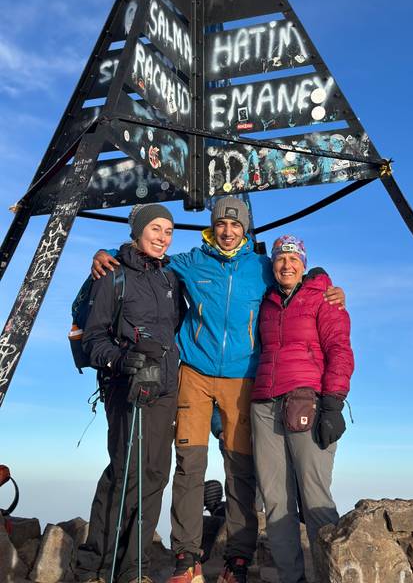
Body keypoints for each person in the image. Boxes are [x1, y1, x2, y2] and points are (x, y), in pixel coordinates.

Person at [91, 198, 345, 583]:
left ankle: (237, 558)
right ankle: (186, 556)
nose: (228, 231)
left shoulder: (261, 267)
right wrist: (105, 253)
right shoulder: (193, 261)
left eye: (236, 224)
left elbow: (297, 277)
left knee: (239, 469)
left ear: (246, 229)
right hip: (194, 371)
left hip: (244, 377)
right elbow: (147, 257)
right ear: (213, 227)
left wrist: (325, 282)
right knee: (189, 464)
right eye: (221, 224)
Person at [76, 204, 180, 583]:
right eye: (155, 228)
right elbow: (93, 339)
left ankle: (135, 569)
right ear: (137, 230)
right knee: (125, 472)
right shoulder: (112, 276)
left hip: (164, 388)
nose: (162, 237)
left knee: (154, 475)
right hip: (126, 386)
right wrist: (123, 360)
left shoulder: (169, 278)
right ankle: (96, 566)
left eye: (168, 231)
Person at [250, 235, 354, 583]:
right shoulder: (264, 301)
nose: (286, 265)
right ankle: (290, 578)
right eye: (280, 258)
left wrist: (333, 404)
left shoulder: (324, 299)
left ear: (304, 263)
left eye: (293, 259)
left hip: (306, 401)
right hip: (264, 404)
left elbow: (340, 349)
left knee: (314, 496)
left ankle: (330, 575)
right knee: (276, 498)